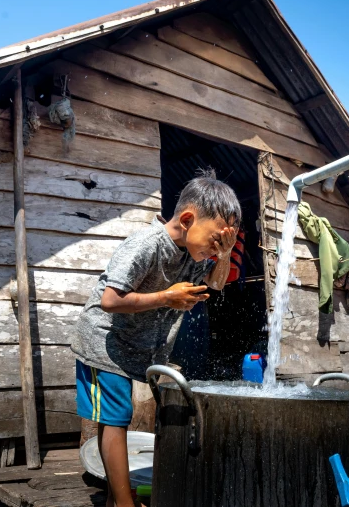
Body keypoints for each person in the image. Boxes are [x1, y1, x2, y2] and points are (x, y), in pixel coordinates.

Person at [71, 170, 241, 507]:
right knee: (116, 417)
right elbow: (110, 300)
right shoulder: (146, 244)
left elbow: (217, 284)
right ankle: (123, 502)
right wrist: (166, 297)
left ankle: (116, 497)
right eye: (214, 239)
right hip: (104, 341)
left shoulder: (195, 256)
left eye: (221, 242)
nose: (214, 247)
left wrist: (223, 255)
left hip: (140, 347)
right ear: (188, 219)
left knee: (119, 416)